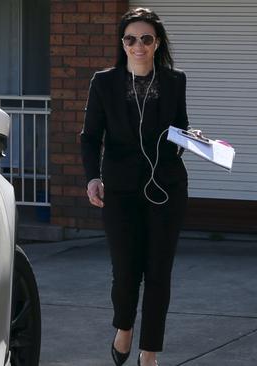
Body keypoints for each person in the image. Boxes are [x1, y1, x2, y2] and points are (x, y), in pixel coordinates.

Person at [80, 7, 189, 366]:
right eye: (130, 39)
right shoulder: (104, 82)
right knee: (126, 270)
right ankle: (124, 326)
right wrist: (93, 177)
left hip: (166, 188)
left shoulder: (175, 82)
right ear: (122, 43)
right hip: (121, 190)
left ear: (157, 43)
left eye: (146, 39)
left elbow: (179, 131)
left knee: (159, 272)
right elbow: (91, 137)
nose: (138, 45)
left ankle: (150, 352)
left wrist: (192, 138)